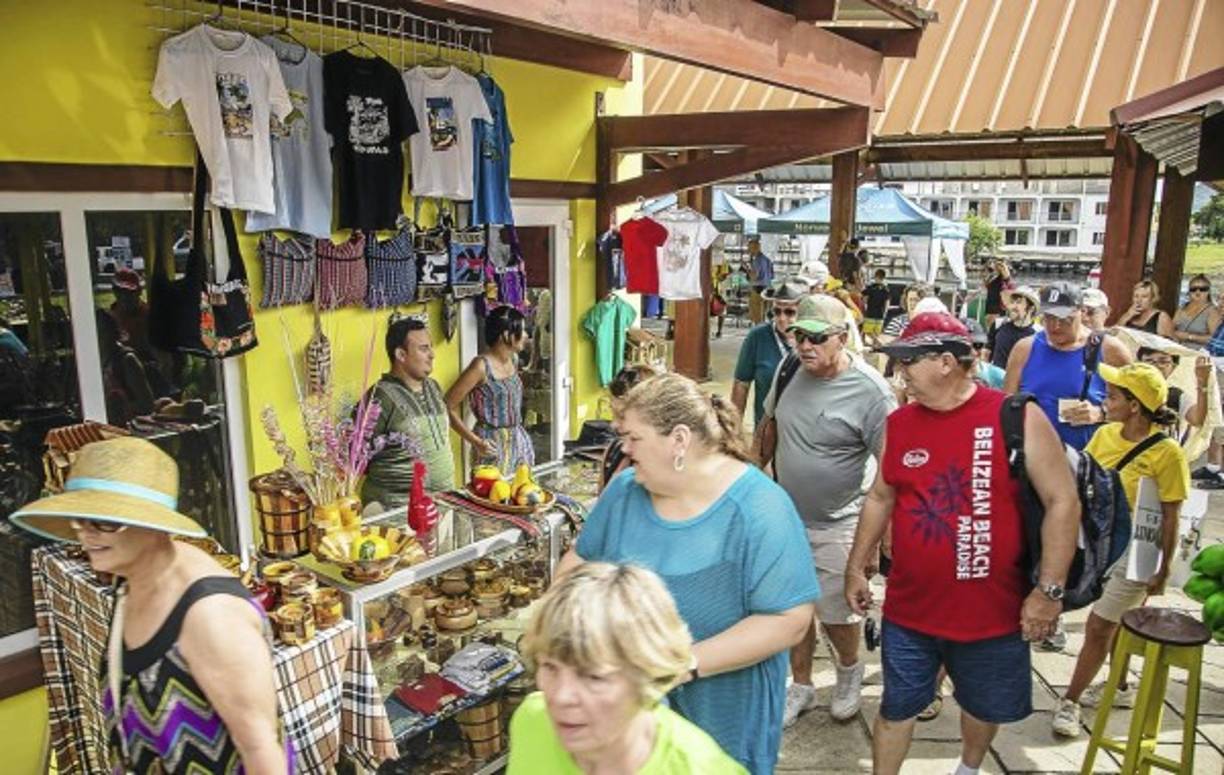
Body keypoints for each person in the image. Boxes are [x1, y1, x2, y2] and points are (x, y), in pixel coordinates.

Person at [845, 312, 1079, 775]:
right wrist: (857, 564)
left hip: (992, 611)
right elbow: (880, 495)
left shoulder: (1015, 416)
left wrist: (1048, 592)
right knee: (896, 707)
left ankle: (969, 767)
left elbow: (1063, 502)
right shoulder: (901, 422)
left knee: (982, 704)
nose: (900, 372)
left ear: (947, 362)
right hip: (910, 610)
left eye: (908, 360)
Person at [557, 372, 820, 774]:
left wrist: (678, 665)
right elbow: (577, 564)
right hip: (628, 717)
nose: (623, 449)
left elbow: (789, 622)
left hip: (723, 713)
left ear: (679, 440)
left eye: (633, 438)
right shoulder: (625, 490)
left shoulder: (762, 509)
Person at [8, 437, 291, 773]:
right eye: (79, 520)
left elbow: (261, 750)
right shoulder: (127, 580)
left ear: (155, 526)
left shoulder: (210, 616)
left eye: (107, 522)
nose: (86, 535)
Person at [758, 294, 896, 727]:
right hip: (786, 515)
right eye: (799, 335)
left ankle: (849, 668)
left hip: (841, 519)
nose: (804, 345)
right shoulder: (788, 369)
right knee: (793, 608)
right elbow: (770, 426)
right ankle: (801, 684)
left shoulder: (872, 392)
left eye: (816, 338)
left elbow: (890, 475)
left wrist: (875, 544)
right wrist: (750, 476)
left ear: (842, 338)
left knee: (838, 613)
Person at [1052, 363, 1189, 737]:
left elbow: (1170, 514)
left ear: (1134, 405)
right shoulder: (1105, 434)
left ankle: (1070, 701)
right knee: (1116, 624)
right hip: (1098, 540)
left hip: (1137, 550)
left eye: (1113, 396)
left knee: (1099, 626)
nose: (1105, 400)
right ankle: (1122, 686)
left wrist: (1163, 569)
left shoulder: (1168, 454)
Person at [509, 562, 746, 774]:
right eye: (550, 667)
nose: (561, 696)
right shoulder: (531, 721)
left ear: (647, 679)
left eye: (593, 677)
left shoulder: (701, 768)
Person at [1004, 283, 1132, 451]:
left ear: (1083, 312)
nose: (1055, 326)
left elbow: (1134, 407)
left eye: (1064, 319)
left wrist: (1101, 413)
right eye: (1048, 318)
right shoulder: (1024, 349)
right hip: (1033, 457)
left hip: (1088, 461)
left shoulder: (1110, 350)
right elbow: (1006, 406)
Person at [363, 316, 456, 512]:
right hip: (397, 510)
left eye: (430, 347)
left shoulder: (433, 387)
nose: (432, 355)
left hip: (442, 504)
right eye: (424, 348)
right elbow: (353, 457)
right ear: (401, 354)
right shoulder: (379, 398)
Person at [447, 305, 535, 473]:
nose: (525, 336)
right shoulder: (480, 366)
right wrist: (475, 441)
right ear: (506, 335)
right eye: (522, 330)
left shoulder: (512, 360)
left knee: (522, 495)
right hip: (491, 446)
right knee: (492, 495)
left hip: (518, 441)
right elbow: (447, 406)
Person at [730, 279, 802, 433]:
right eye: (777, 311)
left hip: (801, 432)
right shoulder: (757, 336)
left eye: (789, 312)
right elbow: (741, 384)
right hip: (766, 433)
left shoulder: (811, 339)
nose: (782, 318)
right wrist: (734, 431)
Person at [600, 364, 660, 491]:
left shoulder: (666, 473)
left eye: (622, 416)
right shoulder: (612, 452)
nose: (613, 424)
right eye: (613, 412)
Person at [1135, 345, 1210, 443]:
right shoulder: (1127, 392)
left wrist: (1202, 383)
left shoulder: (1175, 395)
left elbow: (1197, 420)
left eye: (1163, 362)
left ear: (1173, 367)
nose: (1156, 366)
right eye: (1149, 361)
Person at [987, 285, 1039, 369]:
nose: (1012, 307)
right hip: (995, 379)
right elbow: (987, 352)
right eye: (1012, 302)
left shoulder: (1038, 333)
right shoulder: (998, 324)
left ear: (1031, 308)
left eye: (1018, 302)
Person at [1173, 274, 1221, 348]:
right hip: (1178, 349)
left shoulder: (1212, 311)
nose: (1197, 292)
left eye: (1202, 289)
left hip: (1198, 354)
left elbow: (1215, 339)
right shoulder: (1182, 307)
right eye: (1193, 289)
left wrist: (1189, 336)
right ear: (1189, 291)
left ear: (1208, 292)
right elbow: (1171, 328)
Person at [746, 239, 773, 325]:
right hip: (767, 288)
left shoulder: (757, 260)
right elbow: (772, 275)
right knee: (764, 315)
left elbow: (754, 276)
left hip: (758, 289)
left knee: (757, 315)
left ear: (755, 248)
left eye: (749, 248)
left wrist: (747, 270)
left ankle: (758, 332)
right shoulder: (767, 259)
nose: (748, 251)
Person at [862, 269, 891, 343]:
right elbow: (887, 303)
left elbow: (864, 299)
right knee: (876, 332)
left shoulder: (871, 287)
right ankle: (875, 346)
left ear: (876, 276)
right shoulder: (886, 289)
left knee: (867, 331)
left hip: (870, 313)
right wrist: (885, 312)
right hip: (880, 313)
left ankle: (877, 341)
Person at [982, 257, 1011, 325]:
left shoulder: (1002, 277)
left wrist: (1001, 265)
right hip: (990, 306)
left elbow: (1006, 275)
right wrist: (988, 266)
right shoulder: (992, 277)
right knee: (990, 328)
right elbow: (985, 281)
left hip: (997, 308)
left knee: (995, 328)